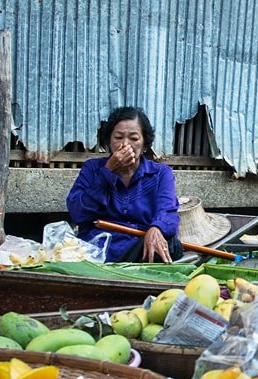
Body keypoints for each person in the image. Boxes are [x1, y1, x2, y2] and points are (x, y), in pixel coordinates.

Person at [67, 106, 182, 263]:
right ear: (109, 141)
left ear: (145, 144)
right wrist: (108, 172)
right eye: (118, 137)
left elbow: (168, 211)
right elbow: (78, 213)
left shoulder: (161, 173)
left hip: (141, 249)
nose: (125, 145)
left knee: (171, 244)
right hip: (100, 249)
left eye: (134, 139)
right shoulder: (92, 169)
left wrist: (157, 228)